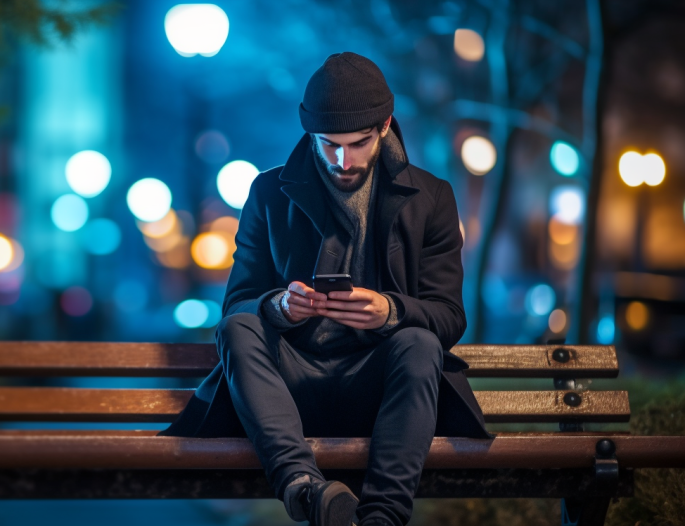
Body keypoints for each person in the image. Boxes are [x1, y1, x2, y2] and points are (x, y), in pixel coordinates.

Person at [159, 53, 492, 526]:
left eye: (358, 144)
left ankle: (383, 516)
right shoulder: (269, 193)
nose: (343, 160)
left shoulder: (430, 197)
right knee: (238, 329)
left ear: (385, 126)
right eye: (329, 144)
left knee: (419, 341)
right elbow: (236, 305)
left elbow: (449, 316)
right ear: (310, 133)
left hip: (379, 387)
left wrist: (390, 312)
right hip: (287, 389)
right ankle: (305, 490)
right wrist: (279, 306)